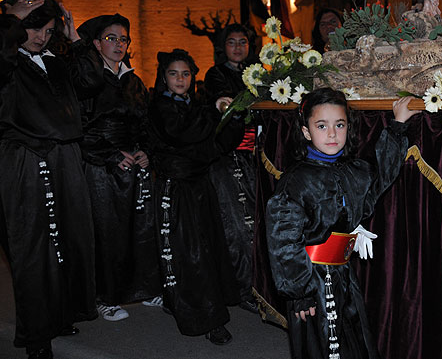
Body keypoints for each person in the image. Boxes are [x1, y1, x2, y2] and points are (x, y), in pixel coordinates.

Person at [265, 88, 420, 359]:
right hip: (311, 281)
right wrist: (299, 292)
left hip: (344, 274)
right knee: (323, 346)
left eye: (340, 125)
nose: (333, 134)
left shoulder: (354, 170)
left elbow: (381, 177)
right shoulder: (296, 180)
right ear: (306, 132)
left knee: (354, 341)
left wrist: (397, 126)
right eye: (321, 126)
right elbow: (283, 239)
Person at [0, 0, 100, 359]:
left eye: (47, 30)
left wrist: (75, 39)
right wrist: (10, 20)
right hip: (25, 158)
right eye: (33, 29)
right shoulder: (8, 63)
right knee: (32, 248)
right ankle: (36, 334)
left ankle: (61, 313)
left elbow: (91, 82)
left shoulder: (56, 62)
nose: (41, 37)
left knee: (70, 240)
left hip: (65, 157)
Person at [148, 48, 244, 345]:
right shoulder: (161, 106)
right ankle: (208, 319)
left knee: (208, 249)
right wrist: (215, 111)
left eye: (186, 73)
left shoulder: (194, 105)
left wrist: (234, 117)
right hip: (176, 189)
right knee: (191, 255)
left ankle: (186, 300)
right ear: (164, 77)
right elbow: (184, 133)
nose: (180, 79)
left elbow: (216, 142)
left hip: (200, 187)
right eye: (174, 73)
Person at [75, 14, 162, 321]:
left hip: (134, 164)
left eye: (123, 39)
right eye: (111, 38)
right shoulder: (87, 81)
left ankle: (144, 289)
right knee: (106, 230)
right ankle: (105, 297)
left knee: (140, 227)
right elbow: (79, 127)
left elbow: (147, 124)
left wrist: (145, 151)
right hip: (101, 165)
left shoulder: (133, 80)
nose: (118, 44)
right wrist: (111, 155)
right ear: (96, 43)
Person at [203, 24, 260, 313]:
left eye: (243, 42)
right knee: (237, 224)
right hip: (230, 156)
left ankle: (261, 285)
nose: (238, 47)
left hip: (257, 156)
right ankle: (243, 287)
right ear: (222, 46)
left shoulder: (262, 72)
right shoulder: (216, 74)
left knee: (259, 219)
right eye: (231, 42)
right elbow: (224, 103)